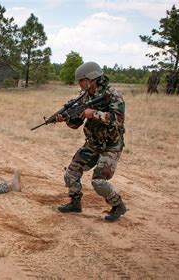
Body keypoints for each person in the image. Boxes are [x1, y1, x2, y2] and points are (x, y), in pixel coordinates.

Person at [55, 62, 127, 222]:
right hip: (93, 143)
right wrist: (66, 119)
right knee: (70, 174)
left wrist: (93, 114)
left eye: (81, 80)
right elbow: (76, 124)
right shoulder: (84, 96)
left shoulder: (113, 94)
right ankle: (75, 203)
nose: (79, 84)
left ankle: (118, 205)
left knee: (99, 182)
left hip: (111, 145)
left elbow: (118, 119)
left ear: (91, 78)